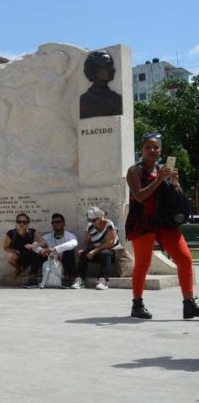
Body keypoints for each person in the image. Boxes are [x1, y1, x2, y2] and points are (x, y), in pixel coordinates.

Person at [124, 133, 197, 320]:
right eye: (148, 147)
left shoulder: (162, 170)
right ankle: (137, 304)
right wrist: (158, 179)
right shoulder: (135, 171)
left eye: (156, 147)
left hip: (165, 222)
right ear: (142, 149)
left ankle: (189, 304)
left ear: (161, 150)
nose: (152, 150)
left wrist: (174, 182)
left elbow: (176, 197)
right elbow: (140, 196)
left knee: (185, 258)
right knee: (143, 263)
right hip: (143, 222)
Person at [72, 207, 120, 291]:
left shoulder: (109, 224)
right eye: (90, 220)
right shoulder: (90, 226)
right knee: (84, 254)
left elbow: (110, 243)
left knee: (105, 253)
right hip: (97, 252)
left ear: (101, 217)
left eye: (94, 220)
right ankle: (80, 279)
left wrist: (94, 251)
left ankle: (103, 280)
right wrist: (83, 249)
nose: (92, 223)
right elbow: (87, 241)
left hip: (111, 251)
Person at [32, 213, 78, 288]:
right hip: (52, 261)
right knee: (37, 253)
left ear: (64, 224)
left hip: (64, 261)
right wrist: (41, 250)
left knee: (69, 251)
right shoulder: (48, 236)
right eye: (53, 222)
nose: (55, 224)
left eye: (58, 222)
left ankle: (66, 279)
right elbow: (35, 244)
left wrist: (56, 249)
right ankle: (32, 279)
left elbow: (74, 243)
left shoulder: (69, 236)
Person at [79, 50, 123, 119]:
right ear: (94, 70)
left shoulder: (117, 99)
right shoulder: (84, 99)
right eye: (108, 65)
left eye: (112, 65)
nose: (113, 69)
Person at [3, 213, 42, 288]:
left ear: (28, 223)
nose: (21, 224)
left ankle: (32, 278)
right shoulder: (11, 233)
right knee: (9, 255)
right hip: (17, 255)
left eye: (24, 222)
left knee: (37, 254)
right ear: (16, 222)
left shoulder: (32, 232)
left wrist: (33, 246)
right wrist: (15, 251)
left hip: (28, 254)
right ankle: (18, 269)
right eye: (19, 221)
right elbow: (5, 247)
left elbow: (43, 242)